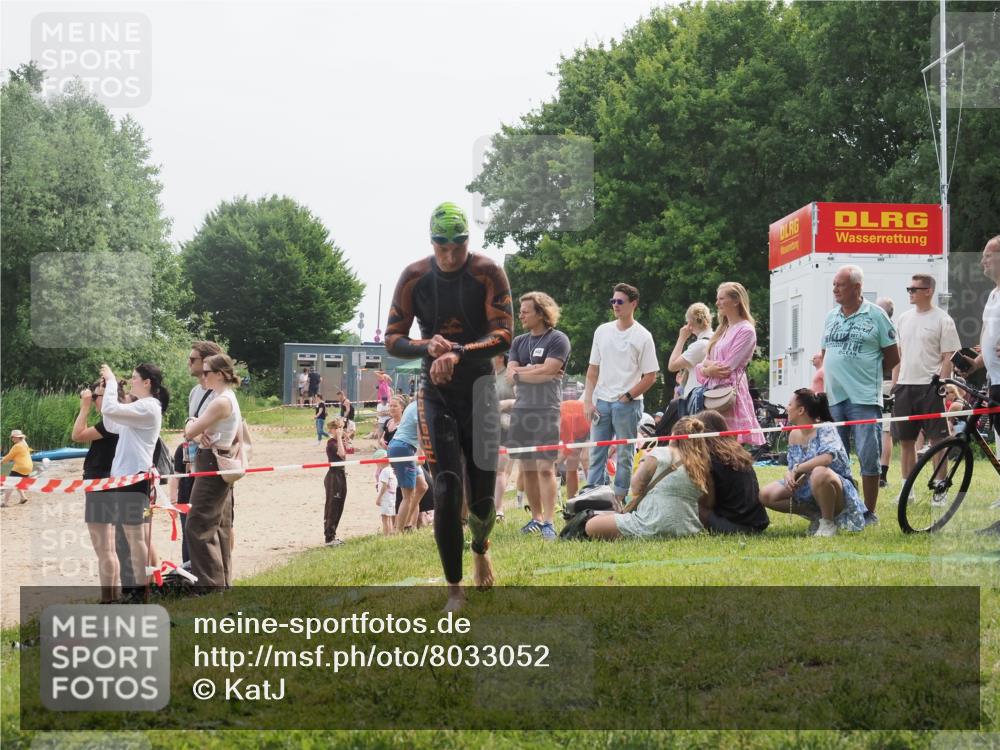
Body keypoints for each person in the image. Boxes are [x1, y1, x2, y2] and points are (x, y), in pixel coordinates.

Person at [384, 200, 513, 611]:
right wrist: (428, 345)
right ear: (432, 241)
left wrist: (456, 350)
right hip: (435, 392)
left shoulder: (487, 272)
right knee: (445, 486)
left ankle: (480, 546)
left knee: (481, 498)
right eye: (442, 246)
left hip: (479, 389)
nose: (451, 254)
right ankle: (454, 588)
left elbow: (504, 334)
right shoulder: (415, 276)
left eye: (458, 245)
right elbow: (392, 339)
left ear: (467, 240)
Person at [819, 265, 899, 524]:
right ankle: (845, 508)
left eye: (840, 285)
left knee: (868, 455)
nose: (835, 289)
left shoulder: (876, 315)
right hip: (835, 397)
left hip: (864, 398)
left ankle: (869, 511)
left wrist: (864, 374)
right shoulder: (831, 317)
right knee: (836, 456)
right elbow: (825, 353)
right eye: (834, 285)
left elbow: (892, 357)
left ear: (856, 287)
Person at [583, 283, 659, 505]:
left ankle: (619, 499)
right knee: (597, 452)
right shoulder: (602, 331)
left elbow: (651, 375)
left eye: (620, 301)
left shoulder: (643, 336)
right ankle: (594, 497)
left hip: (628, 404)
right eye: (613, 301)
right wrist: (588, 400)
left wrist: (628, 396)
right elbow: (592, 369)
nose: (615, 305)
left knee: (625, 453)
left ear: (633, 304)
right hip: (601, 402)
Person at [98, 363, 169, 598]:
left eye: (134, 377)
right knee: (132, 536)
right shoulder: (141, 407)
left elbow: (109, 409)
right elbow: (111, 423)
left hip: (135, 478)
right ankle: (143, 589)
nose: (131, 380)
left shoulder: (149, 407)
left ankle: (143, 590)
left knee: (136, 537)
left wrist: (109, 381)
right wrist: (115, 392)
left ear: (147, 382)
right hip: (126, 478)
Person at [507, 291, 571, 540]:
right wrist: (535, 370)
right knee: (527, 468)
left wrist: (523, 373)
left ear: (541, 313)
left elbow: (551, 370)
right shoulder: (518, 342)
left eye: (526, 311)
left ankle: (548, 522)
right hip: (522, 409)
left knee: (546, 468)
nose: (521, 314)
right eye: (520, 310)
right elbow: (510, 373)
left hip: (547, 409)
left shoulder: (558, 339)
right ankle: (534, 518)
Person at [759, 388, 867, 536]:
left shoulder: (825, 428)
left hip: (836, 490)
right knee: (766, 494)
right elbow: (793, 468)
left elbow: (827, 458)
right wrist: (789, 476)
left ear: (801, 410)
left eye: (790, 404)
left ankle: (828, 523)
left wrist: (798, 468)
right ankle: (815, 516)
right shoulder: (793, 435)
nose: (787, 407)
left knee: (819, 472)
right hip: (806, 487)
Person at [583, 417, 709, 540]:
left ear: (674, 435)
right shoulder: (701, 465)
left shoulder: (660, 453)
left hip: (650, 522)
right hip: (688, 528)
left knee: (590, 525)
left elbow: (636, 487)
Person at [891, 274, 960, 492]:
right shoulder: (903, 318)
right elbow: (899, 354)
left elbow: (948, 356)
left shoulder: (943, 319)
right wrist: (895, 383)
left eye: (914, 289)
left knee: (938, 440)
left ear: (928, 291)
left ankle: (940, 487)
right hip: (905, 386)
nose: (910, 293)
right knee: (906, 441)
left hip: (930, 387)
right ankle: (906, 490)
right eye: (908, 289)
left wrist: (942, 383)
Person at [183, 353, 242, 591]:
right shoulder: (226, 397)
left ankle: (210, 585)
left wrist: (190, 423)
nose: (202, 376)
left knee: (198, 525)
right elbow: (195, 430)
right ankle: (221, 583)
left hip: (211, 461)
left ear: (220, 374)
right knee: (218, 526)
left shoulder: (220, 401)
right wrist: (194, 426)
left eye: (206, 372)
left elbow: (190, 430)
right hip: (216, 459)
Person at [692, 282, 764, 447]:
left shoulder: (745, 330)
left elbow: (727, 367)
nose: (717, 303)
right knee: (711, 443)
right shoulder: (722, 329)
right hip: (712, 393)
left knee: (728, 446)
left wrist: (705, 368)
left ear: (736, 301)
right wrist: (708, 368)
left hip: (729, 395)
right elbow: (705, 364)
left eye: (721, 298)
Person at [695, 409, 770, 535]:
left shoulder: (709, 458)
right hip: (758, 521)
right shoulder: (740, 452)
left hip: (734, 525)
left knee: (694, 506)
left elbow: (708, 503)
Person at [184, 341, 224, 560]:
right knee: (191, 519)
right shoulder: (194, 392)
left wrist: (192, 429)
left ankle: (217, 576)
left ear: (207, 362)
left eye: (193, 360)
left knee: (218, 523)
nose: (188, 363)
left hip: (214, 462)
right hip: (194, 461)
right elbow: (191, 427)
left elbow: (202, 431)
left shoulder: (219, 395)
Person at [389, 399, 430, 531]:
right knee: (407, 495)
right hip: (403, 448)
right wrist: (424, 451)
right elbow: (421, 434)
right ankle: (398, 531)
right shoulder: (420, 408)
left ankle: (404, 522)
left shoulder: (414, 405)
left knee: (422, 487)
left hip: (403, 446)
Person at [667, 302, 714, 417]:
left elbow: (672, 366)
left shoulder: (700, 345)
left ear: (690, 323)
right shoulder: (715, 339)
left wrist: (682, 338)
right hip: (709, 398)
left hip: (696, 401)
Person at [492, 354, 516, 523]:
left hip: (506, 427)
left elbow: (524, 399)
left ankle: (498, 509)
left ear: (500, 357)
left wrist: (505, 403)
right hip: (485, 428)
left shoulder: (509, 376)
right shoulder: (486, 376)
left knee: (501, 470)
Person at [875, 298, 895, 489]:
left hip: (881, 383)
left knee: (883, 431)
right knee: (885, 431)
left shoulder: (877, 329)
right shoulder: (893, 330)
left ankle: (881, 473)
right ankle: (881, 474)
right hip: (884, 383)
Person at [323, 416, 348, 545]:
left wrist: (345, 438)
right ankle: (329, 537)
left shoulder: (339, 441)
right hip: (334, 476)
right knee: (333, 506)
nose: (340, 430)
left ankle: (333, 535)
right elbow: (342, 454)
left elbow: (348, 451)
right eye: (337, 428)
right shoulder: (331, 443)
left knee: (339, 505)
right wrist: (339, 437)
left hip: (341, 474)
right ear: (332, 429)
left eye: (341, 428)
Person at [559, 399, 591, 500]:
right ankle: (572, 501)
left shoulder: (563, 419)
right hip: (578, 430)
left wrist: (554, 463)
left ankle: (595, 495)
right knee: (571, 464)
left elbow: (567, 449)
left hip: (591, 424)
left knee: (585, 459)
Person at [1, 429, 32, 507]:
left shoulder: (17, 446)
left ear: (19, 438)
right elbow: (13, 456)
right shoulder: (25, 444)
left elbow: (8, 457)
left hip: (20, 467)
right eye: (12, 437)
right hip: (28, 467)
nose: (12, 439)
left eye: (14, 437)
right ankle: (23, 497)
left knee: (9, 484)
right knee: (17, 482)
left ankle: (5, 502)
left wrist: (1, 462)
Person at [372, 448, 398, 535]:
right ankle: (390, 533)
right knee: (389, 517)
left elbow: (384, 486)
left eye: (376, 462)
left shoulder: (384, 471)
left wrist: (379, 498)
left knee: (385, 517)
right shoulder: (391, 470)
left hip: (385, 497)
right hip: (391, 497)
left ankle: (386, 535)